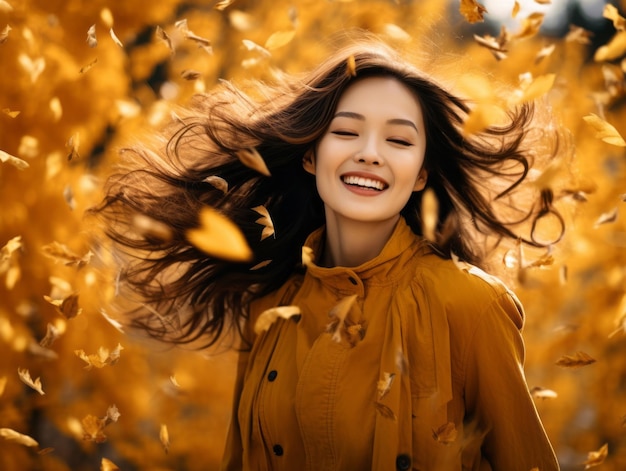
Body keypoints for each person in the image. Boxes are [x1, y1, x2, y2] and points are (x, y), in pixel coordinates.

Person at [92, 36, 562, 470]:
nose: (371, 154)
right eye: (346, 132)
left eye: (399, 140)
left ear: (421, 174)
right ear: (310, 154)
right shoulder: (273, 305)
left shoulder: (470, 306)